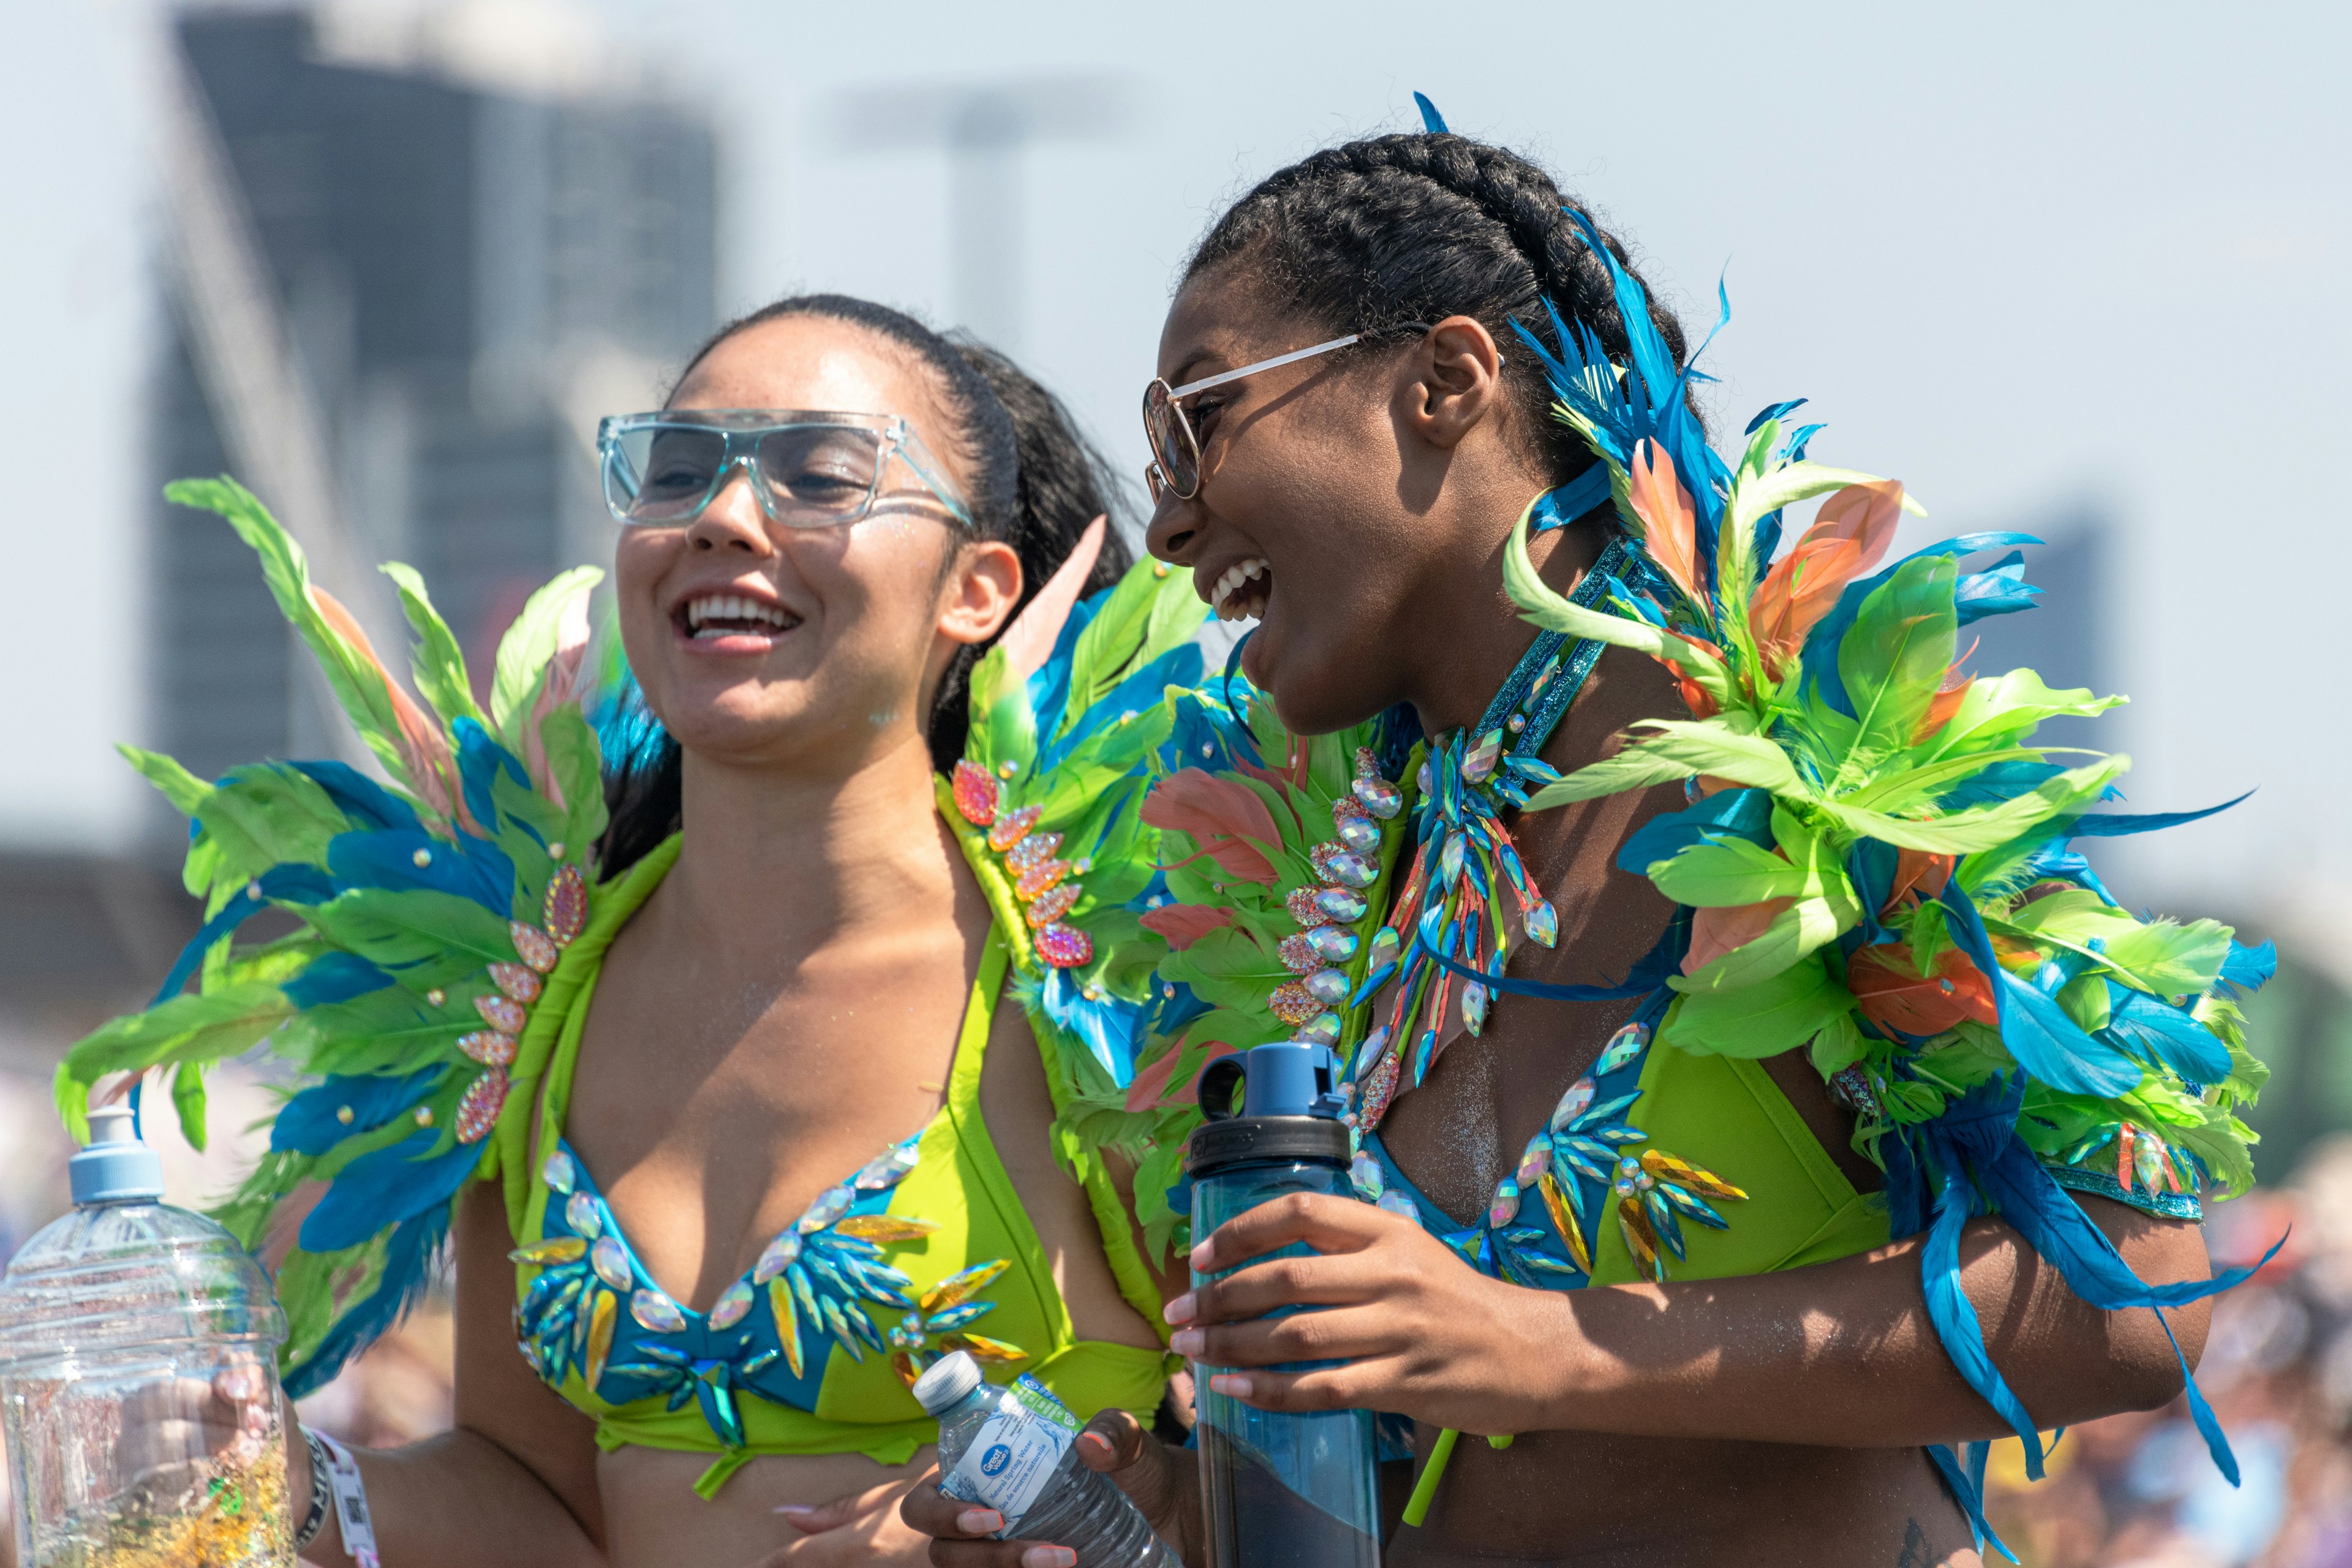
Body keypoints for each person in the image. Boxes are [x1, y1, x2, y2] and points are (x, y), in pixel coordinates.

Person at [905, 118, 2272, 1568]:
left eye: (1197, 423)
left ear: (1446, 381)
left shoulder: (1832, 767)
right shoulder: (1342, 866)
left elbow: (2138, 1292)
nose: (1168, 522)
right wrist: (1169, 1512)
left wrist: (1542, 1343)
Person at [56, 296, 1202, 1567]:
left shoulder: (1111, 973)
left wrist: (1130, 1498)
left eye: (820, 473)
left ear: (977, 590)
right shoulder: (529, 995)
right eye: (676, 470)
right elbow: (537, 1497)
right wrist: (293, 1483)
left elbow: (1299, 1459)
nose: (724, 513)